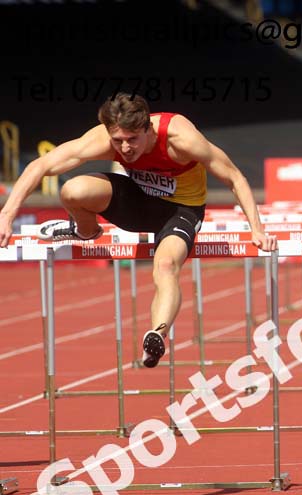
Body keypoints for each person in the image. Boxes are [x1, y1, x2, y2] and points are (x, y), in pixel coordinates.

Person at [0, 93, 275, 368]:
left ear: (147, 129)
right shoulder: (106, 139)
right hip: (138, 204)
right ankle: (85, 230)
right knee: (73, 190)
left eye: (132, 140)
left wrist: (257, 229)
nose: (126, 148)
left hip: (181, 211)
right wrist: (7, 214)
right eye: (118, 141)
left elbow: (234, 177)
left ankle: (157, 334)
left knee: (166, 265)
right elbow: (41, 165)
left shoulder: (180, 138)